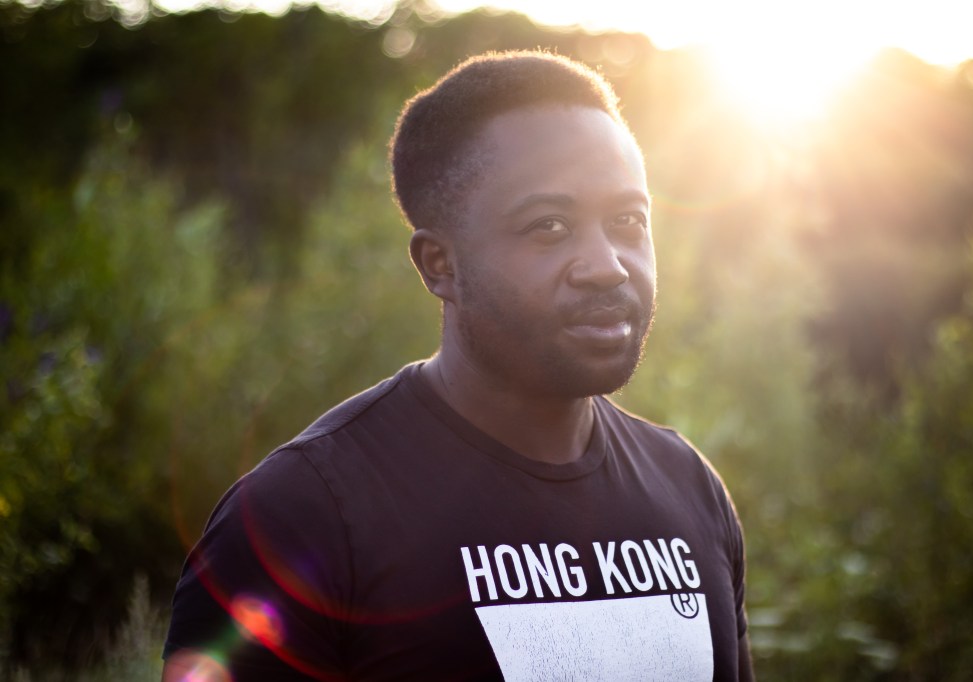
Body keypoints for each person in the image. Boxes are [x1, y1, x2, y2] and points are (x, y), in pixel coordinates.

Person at [162, 50, 754, 681]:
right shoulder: (301, 519)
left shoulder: (688, 487)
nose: (607, 266)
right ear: (439, 265)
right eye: (549, 226)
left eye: (628, 221)